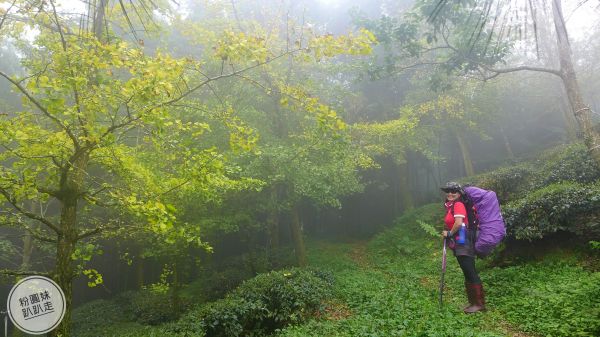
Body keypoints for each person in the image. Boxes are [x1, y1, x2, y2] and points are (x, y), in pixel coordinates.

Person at [441, 181, 485, 313]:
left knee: (469, 270)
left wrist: (449, 233)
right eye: (448, 191)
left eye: (453, 191)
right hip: (460, 240)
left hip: (463, 240)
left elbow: (459, 223)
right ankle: (473, 302)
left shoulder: (459, 204)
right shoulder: (452, 205)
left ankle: (479, 304)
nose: (450, 193)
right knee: (466, 271)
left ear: (459, 193)